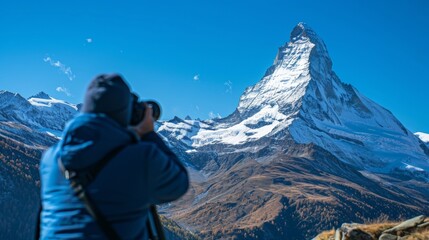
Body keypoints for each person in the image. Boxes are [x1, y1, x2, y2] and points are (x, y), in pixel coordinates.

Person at [38, 74, 189, 239]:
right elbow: (178, 184)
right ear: (125, 113)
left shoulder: (50, 158)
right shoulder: (141, 157)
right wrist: (148, 133)